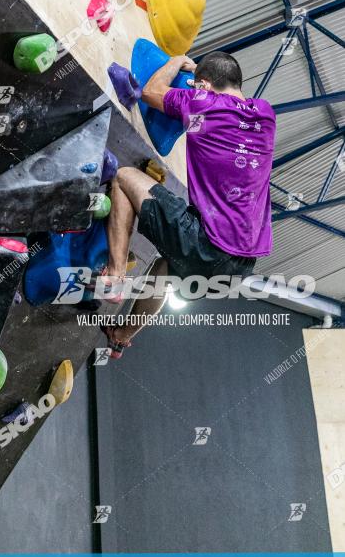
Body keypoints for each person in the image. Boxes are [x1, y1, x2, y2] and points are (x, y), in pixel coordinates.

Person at [102, 50, 276, 358]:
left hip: (207, 245)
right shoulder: (265, 115)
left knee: (123, 177)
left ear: (204, 86)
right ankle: (120, 338)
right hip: (242, 266)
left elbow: (152, 91)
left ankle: (115, 276)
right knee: (164, 267)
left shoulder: (202, 105)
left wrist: (180, 62)